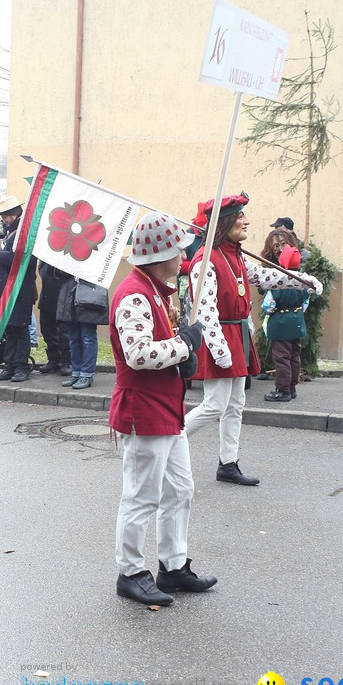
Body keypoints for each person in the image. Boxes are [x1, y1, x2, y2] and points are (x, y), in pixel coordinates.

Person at [110, 211, 214, 607]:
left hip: (167, 408)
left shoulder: (156, 291)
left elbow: (158, 346)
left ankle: (173, 566)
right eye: (178, 251)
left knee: (181, 489)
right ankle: (130, 572)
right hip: (144, 410)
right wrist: (184, 345)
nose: (184, 257)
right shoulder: (134, 294)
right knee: (141, 497)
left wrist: (181, 354)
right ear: (160, 256)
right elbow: (138, 354)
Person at [184, 193, 322, 487]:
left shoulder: (234, 255)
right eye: (240, 216)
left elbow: (264, 276)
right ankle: (167, 442)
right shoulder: (205, 261)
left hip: (237, 335)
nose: (246, 221)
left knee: (235, 404)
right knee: (214, 405)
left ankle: (228, 463)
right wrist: (220, 350)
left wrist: (302, 281)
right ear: (224, 222)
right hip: (220, 337)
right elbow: (205, 311)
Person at [0, 195, 38, 382]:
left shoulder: (25, 233)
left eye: (4, 216)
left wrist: (0, 255)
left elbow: (24, 260)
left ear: (13, 214)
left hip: (19, 289)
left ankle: (21, 366)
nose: (3, 220)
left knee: (19, 328)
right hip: (9, 288)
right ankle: (10, 365)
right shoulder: (13, 232)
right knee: (9, 328)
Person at [261, 245, 311, 402]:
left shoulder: (278, 281)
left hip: (280, 324)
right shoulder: (303, 281)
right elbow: (305, 304)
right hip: (297, 322)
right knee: (294, 357)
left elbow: (268, 306)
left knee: (282, 358)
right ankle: (292, 388)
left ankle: (283, 391)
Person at [57, 276, 108, 389]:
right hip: (70, 295)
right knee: (73, 338)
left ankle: (87, 374)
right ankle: (76, 372)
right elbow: (56, 275)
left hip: (89, 295)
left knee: (88, 338)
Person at [37, 261, 72, 376]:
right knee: (47, 331)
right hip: (47, 296)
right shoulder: (46, 258)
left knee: (64, 333)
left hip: (63, 297)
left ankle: (67, 362)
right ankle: (54, 359)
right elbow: (42, 272)